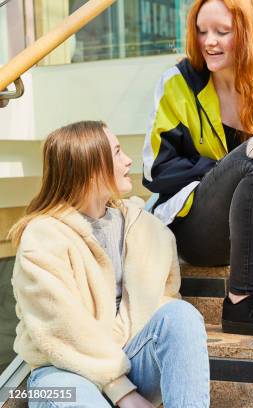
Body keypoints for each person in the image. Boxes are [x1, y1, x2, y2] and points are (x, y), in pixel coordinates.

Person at [142, 0, 253, 338]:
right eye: (201, 31)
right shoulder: (177, 84)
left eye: (222, 32)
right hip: (199, 229)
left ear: (247, 34)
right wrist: (227, 168)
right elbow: (155, 169)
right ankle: (242, 299)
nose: (209, 41)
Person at [9, 121, 210, 408]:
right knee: (74, 396)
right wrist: (121, 391)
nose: (128, 160)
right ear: (89, 165)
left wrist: (125, 382)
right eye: (116, 153)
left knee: (181, 315)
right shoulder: (43, 237)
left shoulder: (145, 228)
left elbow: (164, 300)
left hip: (129, 361)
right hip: (58, 374)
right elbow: (61, 330)